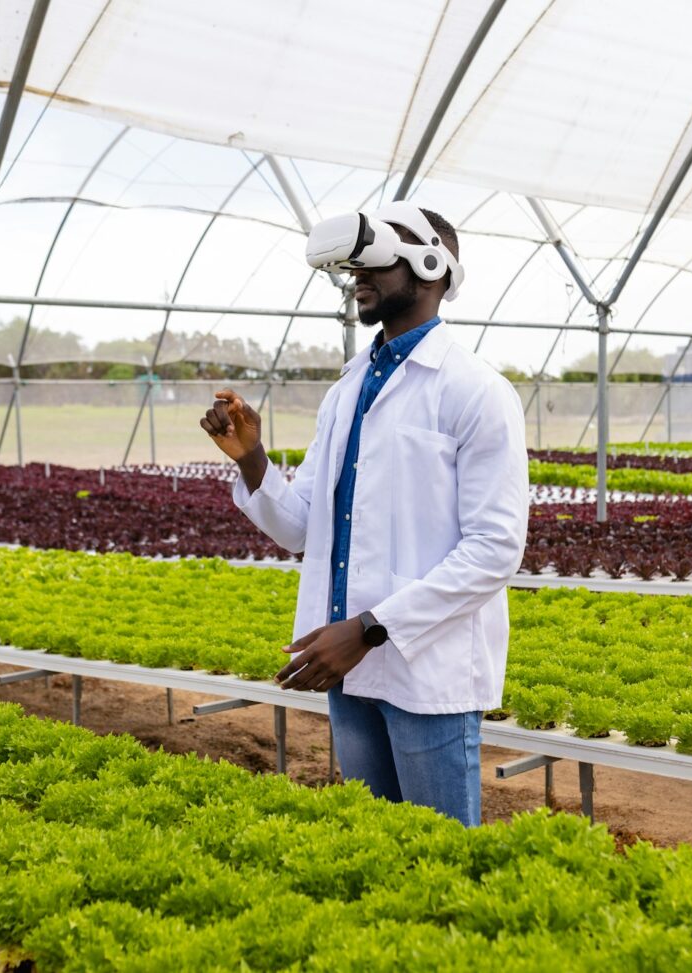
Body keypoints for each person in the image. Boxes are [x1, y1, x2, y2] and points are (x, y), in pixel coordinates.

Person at [200, 204, 528, 826]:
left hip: (422, 671)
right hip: (345, 667)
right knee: (373, 848)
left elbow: (494, 551)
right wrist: (252, 460)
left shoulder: (476, 390)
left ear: (433, 267)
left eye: (381, 254)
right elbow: (303, 529)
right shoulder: (346, 389)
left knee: (438, 858)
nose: (358, 272)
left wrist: (372, 628)